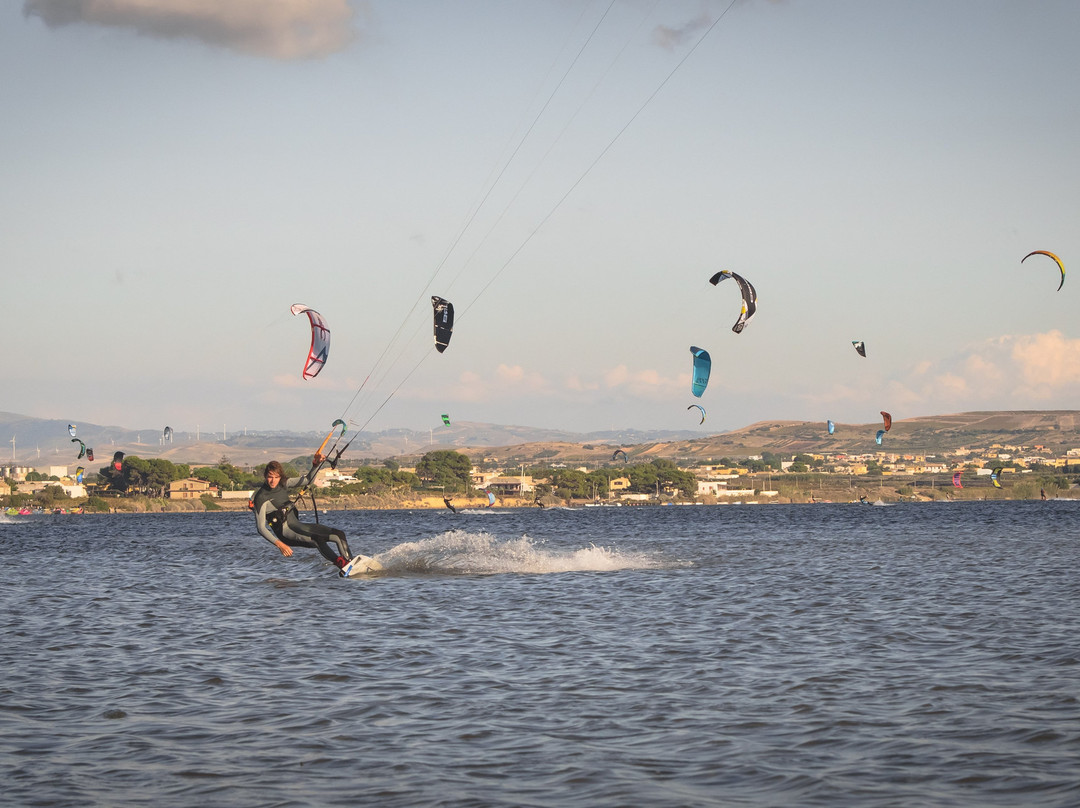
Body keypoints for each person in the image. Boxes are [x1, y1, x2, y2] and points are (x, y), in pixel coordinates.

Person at [251, 453, 352, 570]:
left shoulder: (283, 483)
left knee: (339, 534)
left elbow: (308, 480)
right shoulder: (261, 497)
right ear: (265, 476)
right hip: (287, 533)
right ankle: (342, 565)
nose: (273, 481)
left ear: (280, 477)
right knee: (317, 539)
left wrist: (316, 464)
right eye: (270, 477)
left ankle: (351, 564)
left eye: (276, 477)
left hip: (298, 526)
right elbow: (261, 528)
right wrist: (280, 545)